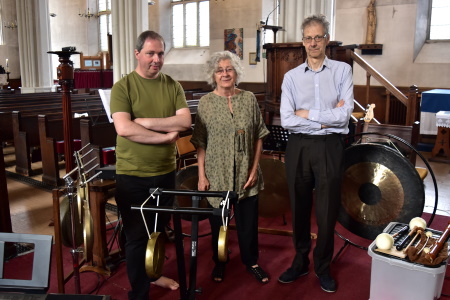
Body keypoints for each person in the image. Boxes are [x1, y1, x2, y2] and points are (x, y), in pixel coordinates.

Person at [110, 30, 191, 300]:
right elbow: (124, 129)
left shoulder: (172, 85)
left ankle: (154, 274)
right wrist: (165, 138)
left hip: (165, 173)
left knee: (157, 233)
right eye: (150, 53)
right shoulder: (124, 87)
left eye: (160, 53)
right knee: (136, 238)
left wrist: (144, 122)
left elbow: (185, 122)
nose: (156, 59)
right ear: (137, 54)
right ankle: (139, 293)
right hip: (133, 175)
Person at [278, 15, 354, 293]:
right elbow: (287, 120)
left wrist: (309, 114)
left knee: (326, 211)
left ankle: (323, 266)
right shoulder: (291, 77)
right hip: (298, 146)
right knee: (299, 208)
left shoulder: (343, 71)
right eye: (308, 38)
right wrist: (327, 117)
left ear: (327, 40)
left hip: (330, 146)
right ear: (303, 42)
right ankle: (300, 261)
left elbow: (344, 115)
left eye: (318, 37)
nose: (313, 42)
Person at [190, 51, 270, 284]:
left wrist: (254, 169)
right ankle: (220, 261)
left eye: (229, 69)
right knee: (219, 224)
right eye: (220, 70)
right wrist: (202, 175)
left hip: (246, 172)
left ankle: (252, 262)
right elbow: (200, 142)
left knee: (248, 224)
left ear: (236, 72)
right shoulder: (206, 103)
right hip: (217, 173)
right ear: (213, 75)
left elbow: (258, 136)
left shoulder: (249, 99)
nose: (225, 74)